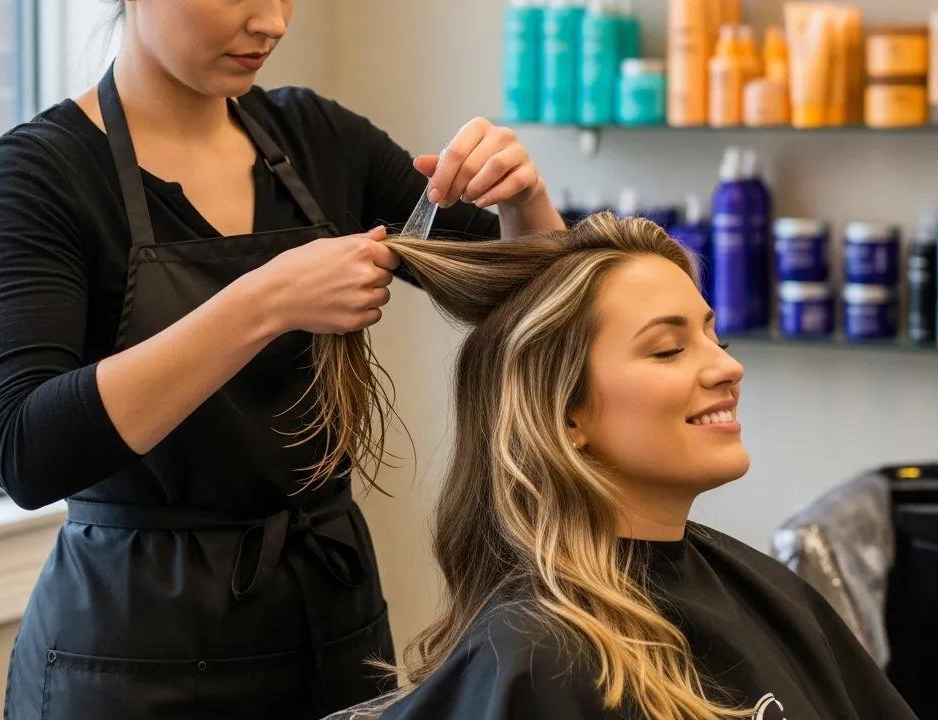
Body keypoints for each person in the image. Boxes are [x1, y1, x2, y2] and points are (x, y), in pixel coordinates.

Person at [0, 0, 563, 720]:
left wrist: (522, 204)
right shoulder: (43, 172)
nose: (272, 20)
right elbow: (26, 448)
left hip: (329, 629)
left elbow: (528, 305)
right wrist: (265, 301)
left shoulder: (313, 138)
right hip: (129, 653)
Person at [317, 213, 917, 720]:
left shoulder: (761, 589)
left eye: (716, 338)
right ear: (566, 414)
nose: (727, 369)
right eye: (668, 349)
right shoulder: (538, 655)